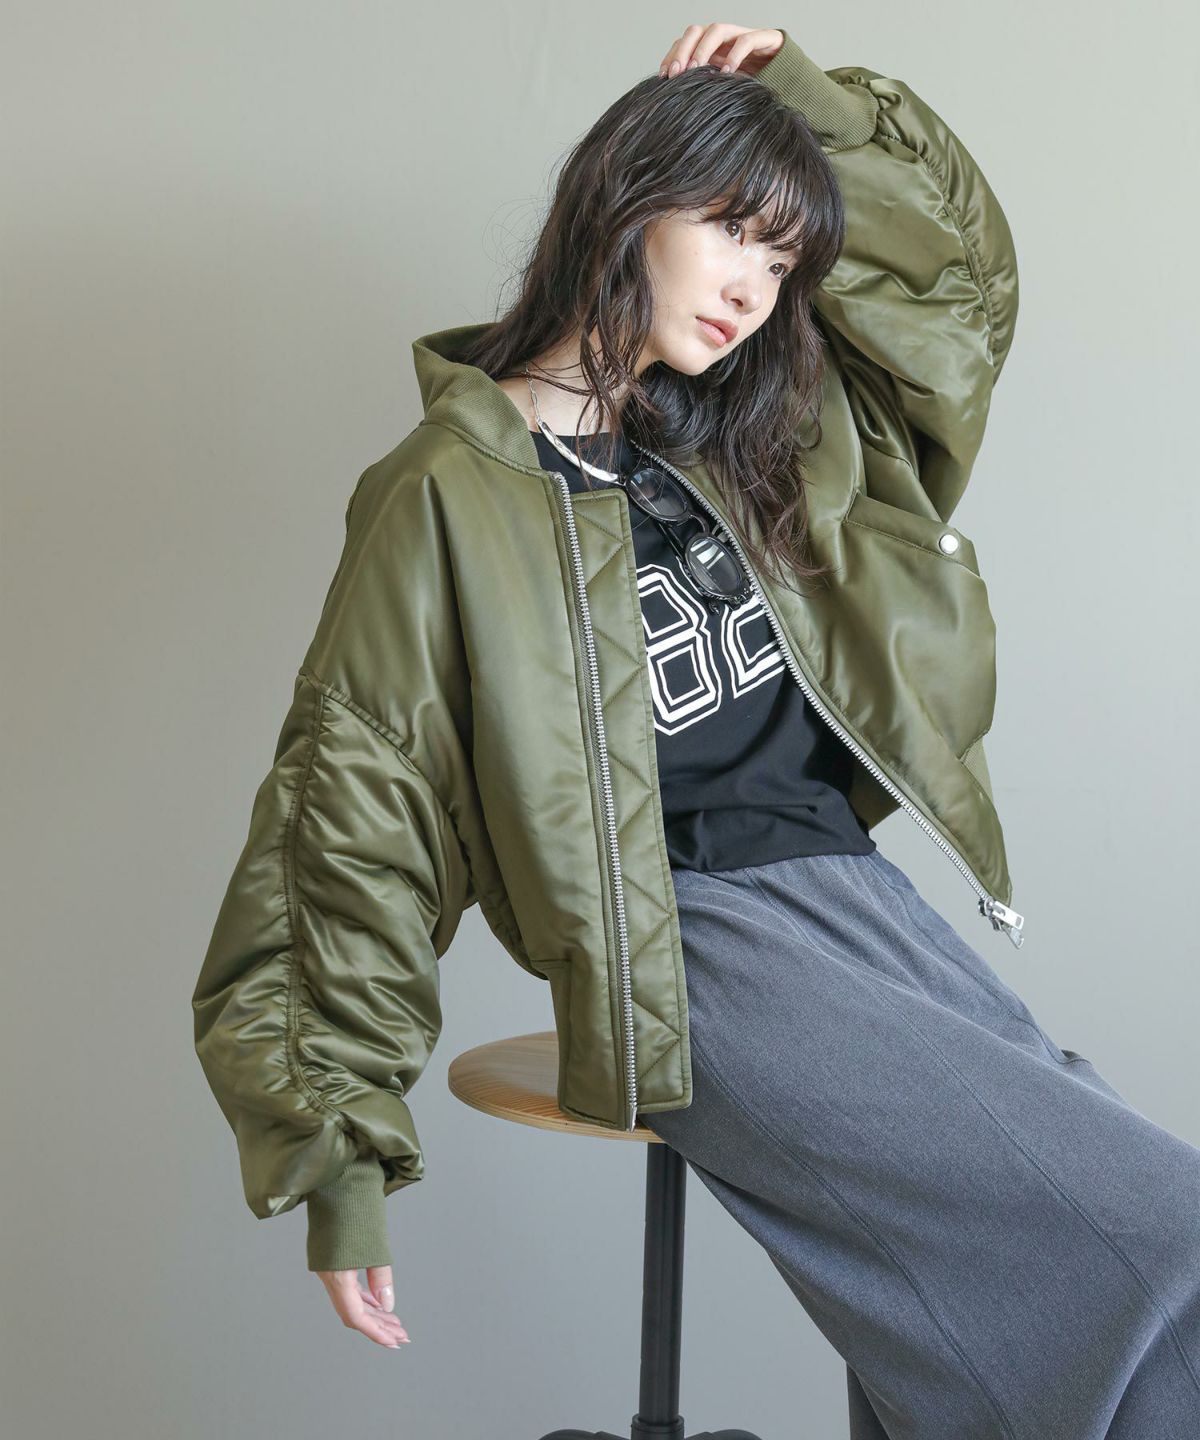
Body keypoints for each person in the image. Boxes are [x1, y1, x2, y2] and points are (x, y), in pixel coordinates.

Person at [191, 20, 1200, 1436]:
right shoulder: (448, 493)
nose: (752, 288)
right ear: (627, 199)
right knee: (1153, 1241)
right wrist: (336, 1159)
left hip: (856, 901)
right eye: (731, 230)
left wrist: (803, 97)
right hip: (690, 940)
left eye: (782, 264)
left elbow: (953, 299)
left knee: (971, 1327)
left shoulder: (747, 437)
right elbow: (353, 815)